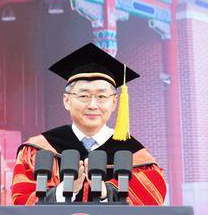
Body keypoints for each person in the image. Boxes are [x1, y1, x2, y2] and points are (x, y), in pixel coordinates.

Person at [11, 43, 166, 205]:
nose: (92, 105)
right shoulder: (39, 151)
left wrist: (107, 193)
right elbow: (22, 201)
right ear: (67, 100)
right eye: (84, 96)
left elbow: (151, 200)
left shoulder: (133, 154)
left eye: (101, 97)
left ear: (114, 102)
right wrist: (63, 191)